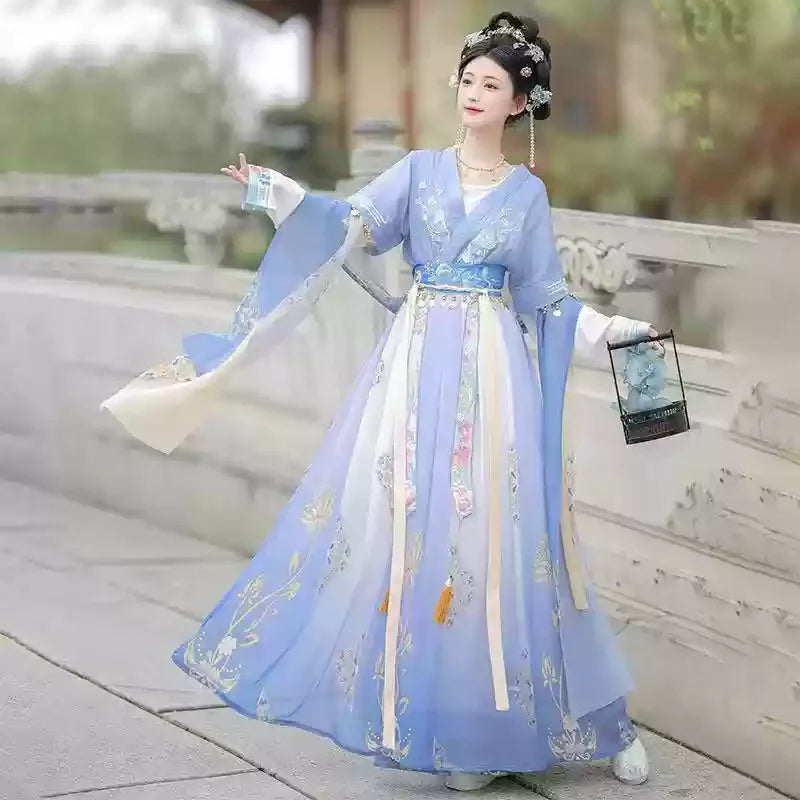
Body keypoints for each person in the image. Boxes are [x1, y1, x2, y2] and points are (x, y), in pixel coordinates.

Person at [102, 11, 657, 792]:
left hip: (493, 383)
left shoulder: (526, 196)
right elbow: (354, 227)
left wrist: (614, 330)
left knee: (500, 541)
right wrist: (281, 193)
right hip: (416, 372)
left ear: (519, 103)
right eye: (467, 78)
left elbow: (547, 300)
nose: (473, 92)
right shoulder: (419, 172)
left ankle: (560, 723)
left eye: (491, 84)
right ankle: (456, 728)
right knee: (417, 536)